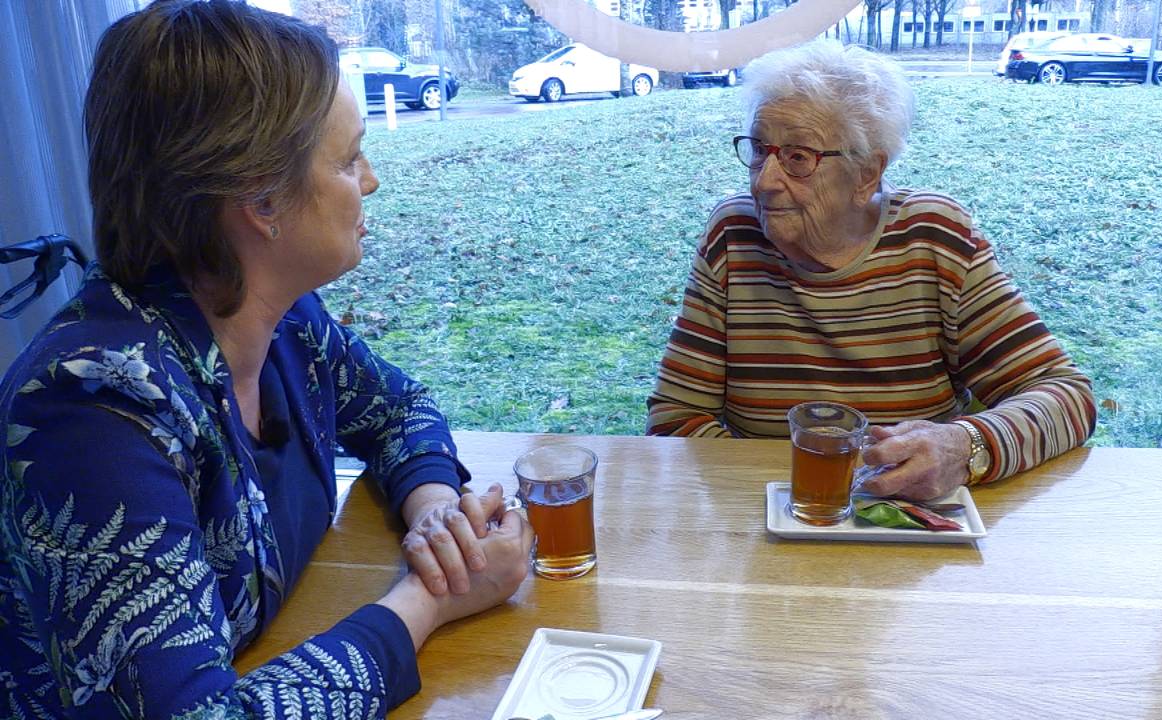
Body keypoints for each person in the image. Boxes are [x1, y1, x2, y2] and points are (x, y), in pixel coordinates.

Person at [0, 1, 532, 716]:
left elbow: (397, 409)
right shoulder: (92, 412)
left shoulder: (281, 323)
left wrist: (439, 518)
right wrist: (430, 599)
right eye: (347, 159)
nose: (369, 180)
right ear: (262, 199)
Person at [646, 42, 1096, 500]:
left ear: (866, 175)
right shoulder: (734, 236)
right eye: (761, 150)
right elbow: (676, 416)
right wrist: (784, 498)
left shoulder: (933, 237)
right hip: (772, 519)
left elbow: (1066, 397)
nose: (764, 180)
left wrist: (964, 446)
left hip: (907, 524)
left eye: (798, 158)